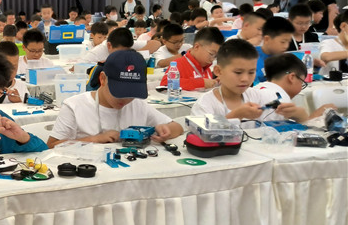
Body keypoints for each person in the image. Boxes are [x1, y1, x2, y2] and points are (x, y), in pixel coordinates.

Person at [47, 50, 183, 147]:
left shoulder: (138, 105)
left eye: (132, 94)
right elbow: (52, 145)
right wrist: (95, 139)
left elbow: (177, 127)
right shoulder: (74, 106)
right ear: (103, 79)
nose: (126, 100)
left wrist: (165, 130)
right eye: (120, 92)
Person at [191, 39, 264, 119]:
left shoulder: (257, 97)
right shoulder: (205, 105)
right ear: (218, 71)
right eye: (238, 72)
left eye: (251, 72)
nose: (245, 79)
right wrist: (235, 116)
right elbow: (204, 127)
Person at [256, 54, 335, 122]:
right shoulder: (281, 99)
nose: (301, 87)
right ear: (292, 77)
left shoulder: (257, 88)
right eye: (302, 82)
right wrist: (312, 116)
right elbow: (295, 132)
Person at [160, 27, 224, 91]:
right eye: (211, 54)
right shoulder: (178, 64)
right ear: (197, 47)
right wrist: (200, 83)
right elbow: (165, 83)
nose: (212, 59)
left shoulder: (206, 68)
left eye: (216, 56)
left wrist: (215, 82)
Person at [254, 16, 295, 83]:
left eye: (289, 42)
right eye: (282, 42)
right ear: (267, 39)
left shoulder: (285, 59)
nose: (286, 46)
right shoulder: (252, 58)